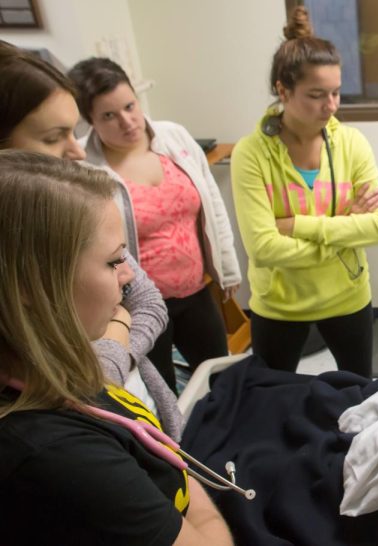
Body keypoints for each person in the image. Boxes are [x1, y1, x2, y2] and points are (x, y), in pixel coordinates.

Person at [0, 151, 232, 545]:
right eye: (113, 262)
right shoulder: (59, 456)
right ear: (30, 284)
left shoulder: (59, 370)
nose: (129, 276)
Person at [0, 41, 182, 438]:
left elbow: (148, 302)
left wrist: (111, 348)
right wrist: (118, 328)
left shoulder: (79, 211)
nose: (76, 152)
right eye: (53, 137)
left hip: (144, 416)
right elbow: (83, 390)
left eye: (74, 131)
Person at [231, 6, 378, 377]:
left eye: (336, 93)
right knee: (271, 399)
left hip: (348, 298)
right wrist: (346, 228)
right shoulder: (251, 153)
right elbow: (263, 248)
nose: (331, 106)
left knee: (356, 393)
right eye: (317, 95)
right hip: (279, 306)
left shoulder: (351, 143)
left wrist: (297, 225)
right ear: (282, 91)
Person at [68, 57, 241, 394]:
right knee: (158, 386)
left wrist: (228, 268)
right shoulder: (87, 169)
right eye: (109, 116)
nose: (127, 121)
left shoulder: (173, 137)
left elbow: (212, 203)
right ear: (90, 122)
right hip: (139, 303)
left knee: (221, 375)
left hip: (196, 289)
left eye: (130, 106)